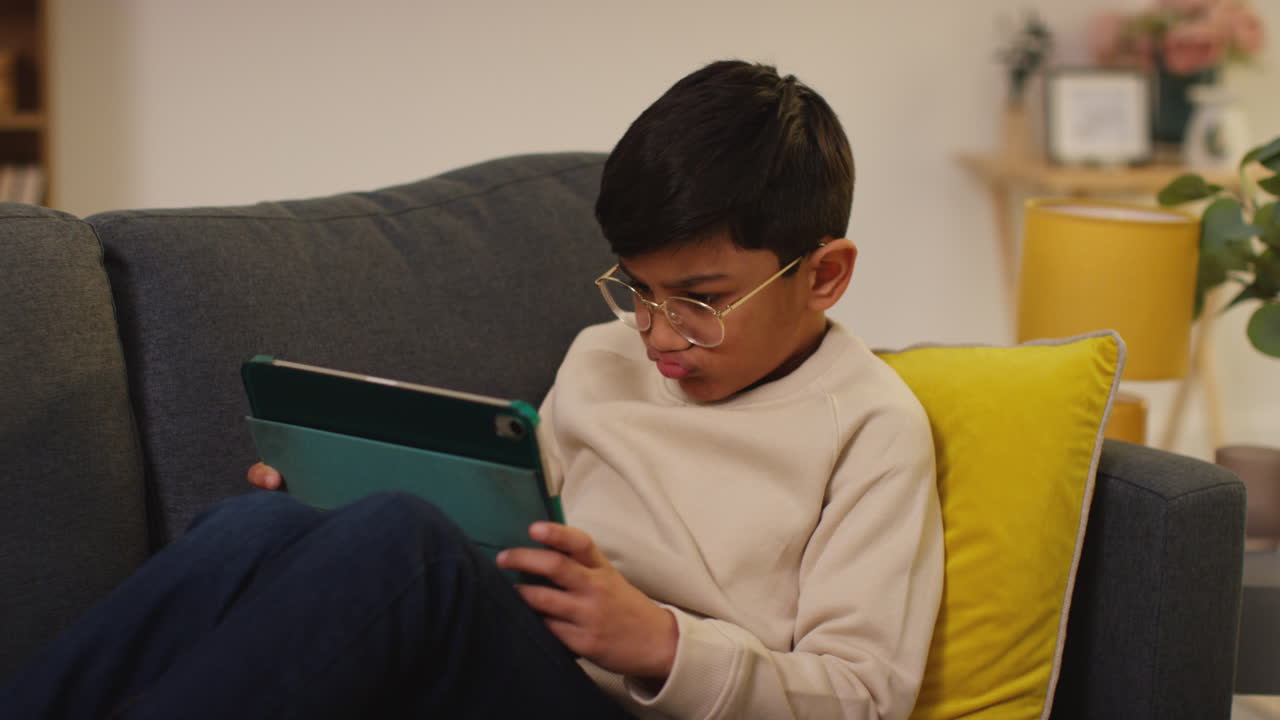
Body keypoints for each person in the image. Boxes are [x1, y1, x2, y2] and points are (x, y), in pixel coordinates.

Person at [0, 60, 943, 719]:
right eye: (637, 291)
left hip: (639, 703)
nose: (655, 335)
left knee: (403, 547)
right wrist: (329, 511)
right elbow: (517, 527)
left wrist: (658, 641)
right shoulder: (604, 357)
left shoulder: (870, 430)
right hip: (517, 658)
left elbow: (862, 695)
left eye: (700, 302)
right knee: (262, 526)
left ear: (824, 275)